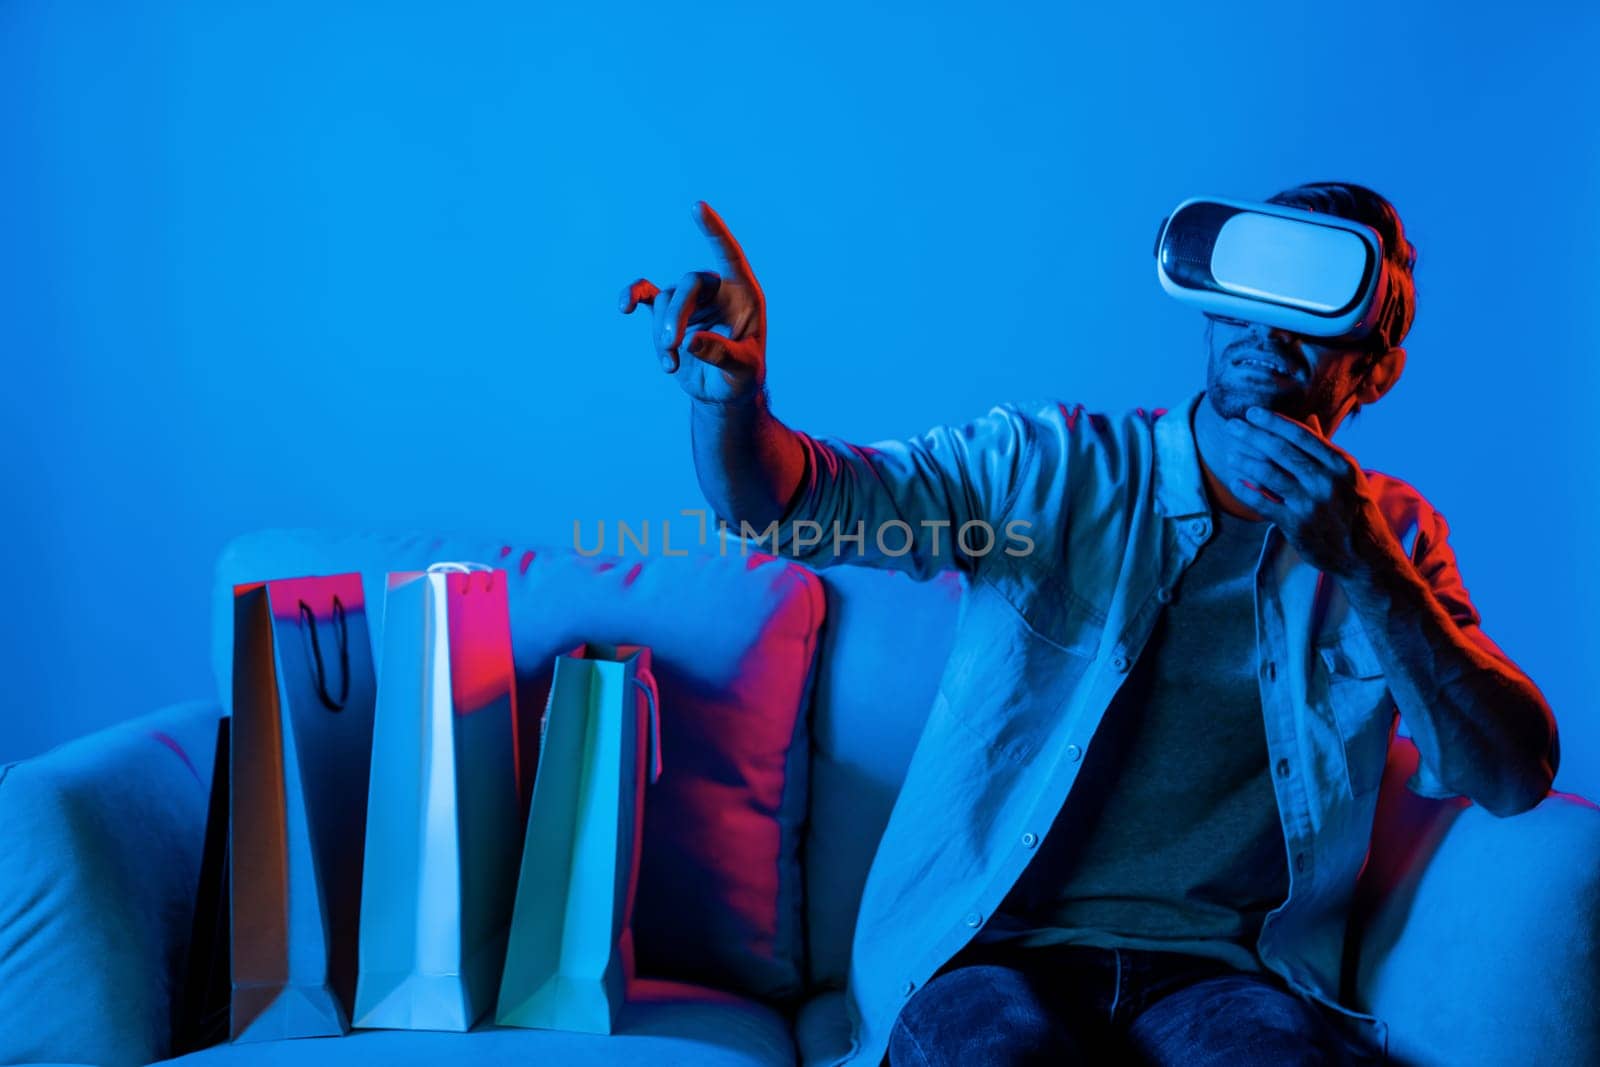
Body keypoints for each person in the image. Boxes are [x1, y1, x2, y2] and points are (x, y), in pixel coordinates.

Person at [619, 184, 1559, 1066]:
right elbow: (794, 505)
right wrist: (732, 405)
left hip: (1225, 978)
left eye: (1314, 306)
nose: (1270, 329)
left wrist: (1363, 564)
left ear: (1375, 372)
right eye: (1253, 290)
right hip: (985, 956)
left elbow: (1513, 774)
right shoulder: (1049, 468)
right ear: (1211, 304)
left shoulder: (1394, 540)